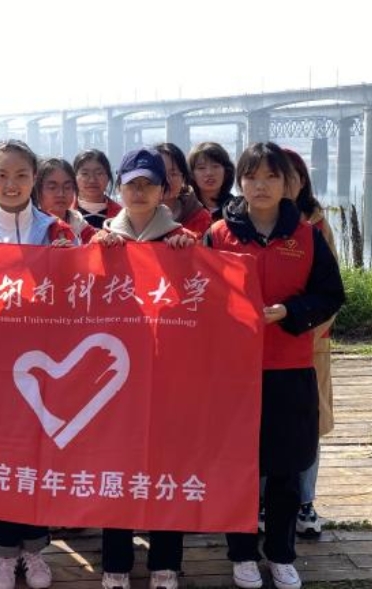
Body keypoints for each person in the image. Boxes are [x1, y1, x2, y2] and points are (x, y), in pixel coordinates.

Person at [205, 142, 344, 589]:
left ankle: (282, 553)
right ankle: (242, 553)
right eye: (251, 177)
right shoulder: (219, 235)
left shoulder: (306, 236)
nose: (260, 185)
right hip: (234, 373)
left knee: (285, 467)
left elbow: (331, 295)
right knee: (238, 467)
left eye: (271, 176)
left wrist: (288, 312)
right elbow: (199, 295)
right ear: (240, 182)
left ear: (288, 184)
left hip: (289, 367)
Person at [0, 139, 75, 589]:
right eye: (2, 175)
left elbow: (83, 290)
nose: (11, 184)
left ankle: (35, 550)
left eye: (21, 175)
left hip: (45, 364)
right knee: (0, 462)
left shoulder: (58, 231)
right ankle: (4, 556)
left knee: (38, 460)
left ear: (34, 180)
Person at [90, 147, 195, 589]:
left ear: (163, 190)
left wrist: (189, 255)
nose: (139, 192)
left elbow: (202, 301)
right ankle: (115, 562)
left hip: (168, 374)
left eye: (148, 184)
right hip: (116, 377)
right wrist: (94, 256)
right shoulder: (100, 240)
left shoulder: (182, 240)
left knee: (167, 467)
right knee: (116, 467)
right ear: (120, 188)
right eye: (131, 184)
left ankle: (165, 562)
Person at [283, 148, 338, 537]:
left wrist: (306, 330)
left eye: (289, 176)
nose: (279, 184)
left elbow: (330, 291)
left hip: (308, 344)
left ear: (302, 181)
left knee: (308, 424)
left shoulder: (317, 226)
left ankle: (305, 502)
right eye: (266, 175)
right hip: (262, 348)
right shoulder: (242, 225)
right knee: (265, 424)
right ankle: (263, 503)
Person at [153, 142, 212, 237]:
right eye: (160, 173)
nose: (167, 180)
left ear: (183, 178)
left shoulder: (199, 217)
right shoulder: (136, 216)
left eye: (173, 174)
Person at [33, 157, 97, 243]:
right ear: (37, 190)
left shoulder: (78, 222)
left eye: (67, 187)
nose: (61, 194)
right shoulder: (30, 226)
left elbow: (95, 241)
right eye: (52, 188)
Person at [73, 149, 122, 229]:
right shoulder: (63, 214)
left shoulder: (121, 216)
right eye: (85, 174)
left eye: (99, 173)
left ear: (108, 177)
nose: (92, 180)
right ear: (74, 177)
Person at [188, 142, 235, 220]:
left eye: (215, 166)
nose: (209, 173)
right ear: (192, 174)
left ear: (226, 172)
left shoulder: (237, 210)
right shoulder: (186, 209)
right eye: (201, 168)